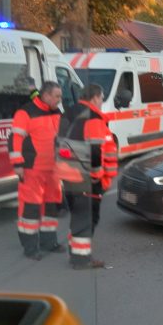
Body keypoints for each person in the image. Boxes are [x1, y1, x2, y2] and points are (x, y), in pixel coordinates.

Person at [55, 84, 118, 270]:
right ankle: (81, 259)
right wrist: (98, 176)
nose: (102, 101)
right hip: (87, 177)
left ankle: (76, 253)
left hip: (69, 174)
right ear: (95, 97)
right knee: (88, 218)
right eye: (101, 98)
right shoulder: (92, 117)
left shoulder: (68, 112)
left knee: (78, 215)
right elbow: (95, 149)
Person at [9, 81, 65, 260]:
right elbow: (15, 139)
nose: (59, 100)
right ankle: (30, 248)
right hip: (32, 169)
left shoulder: (56, 111)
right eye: (57, 96)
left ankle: (49, 243)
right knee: (30, 210)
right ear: (46, 95)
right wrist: (17, 164)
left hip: (52, 170)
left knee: (50, 207)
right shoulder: (25, 112)